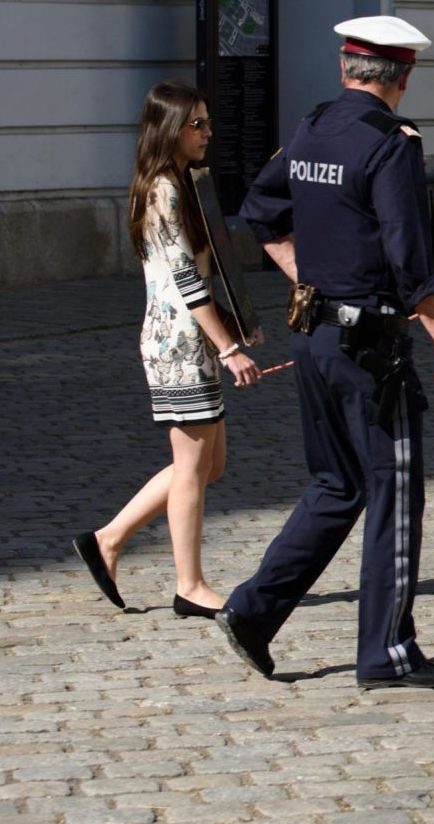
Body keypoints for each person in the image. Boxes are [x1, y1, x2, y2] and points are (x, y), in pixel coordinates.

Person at [216, 16, 434, 688]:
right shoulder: (392, 145)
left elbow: (260, 209)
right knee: (394, 489)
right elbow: (409, 256)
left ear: (344, 68)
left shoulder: (312, 128)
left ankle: (252, 610)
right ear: (404, 75)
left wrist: (306, 275)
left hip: (314, 337)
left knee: (338, 484)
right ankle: (384, 652)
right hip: (371, 349)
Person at [73, 81, 261, 619]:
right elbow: (185, 279)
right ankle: (190, 585)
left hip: (188, 338)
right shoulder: (163, 188)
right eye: (196, 124)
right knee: (192, 466)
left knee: (208, 464)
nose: (208, 133)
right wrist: (229, 348)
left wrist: (229, 327)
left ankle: (108, 539)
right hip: (178, 342)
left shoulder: (178, 181)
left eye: (207, 122)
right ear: (169, 128)